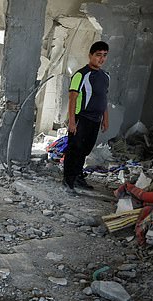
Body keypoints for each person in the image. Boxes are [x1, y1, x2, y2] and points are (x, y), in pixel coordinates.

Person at [63, 41, 110, 193]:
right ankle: (68, 179)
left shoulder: (105, 76)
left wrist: (105, 118)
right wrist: (71, 122)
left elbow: (104, 98)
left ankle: (78, 176)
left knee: (85, 150)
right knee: (74, 149)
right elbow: (72, 98)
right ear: (90, 55)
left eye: (104, 56)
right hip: (80, 118)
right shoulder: (81, 74)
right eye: (98, 55)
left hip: (95, 120)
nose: (101, 59)